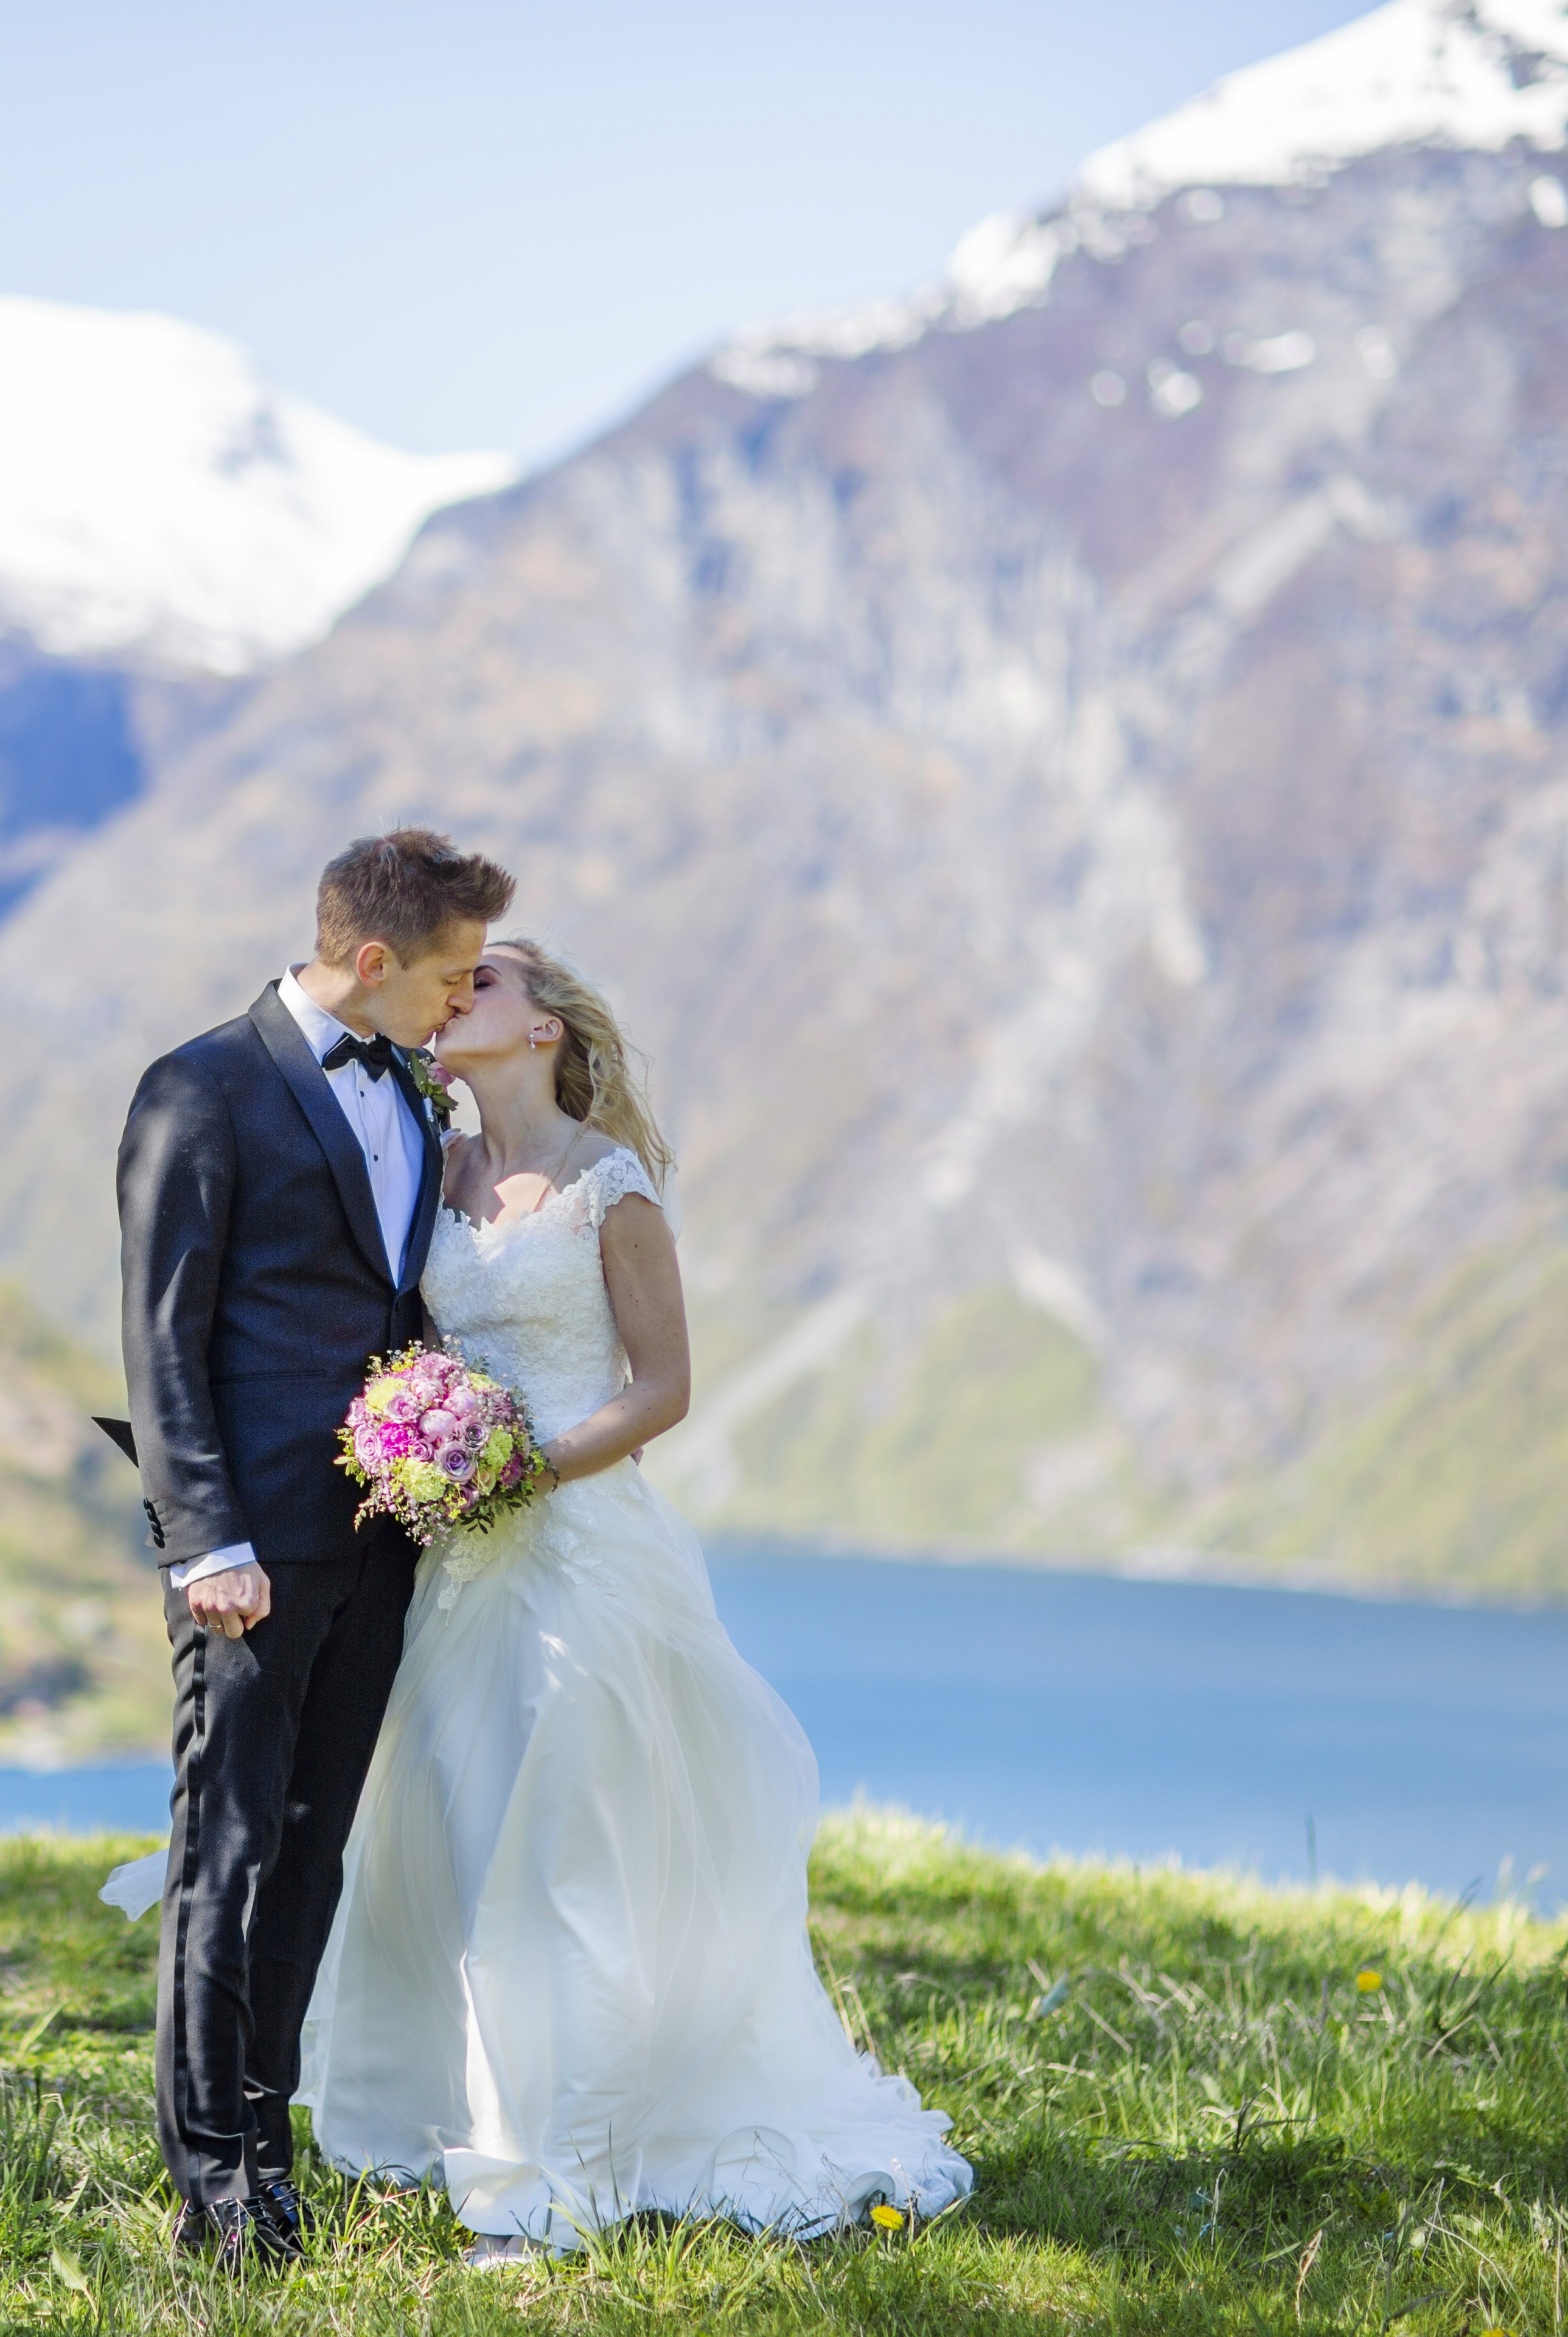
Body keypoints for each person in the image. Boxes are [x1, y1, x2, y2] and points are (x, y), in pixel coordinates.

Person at [299, 937, 973, 2260]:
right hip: (457, 1568)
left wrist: (516, 1469)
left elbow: (661, 1390)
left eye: (482, 981)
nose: (451, 995)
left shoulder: (611, 1187)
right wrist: (417, 1445)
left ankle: (556, 2171)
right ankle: (456, 2122)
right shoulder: (434, 1175)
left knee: (560, 1862)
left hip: (578, 1558)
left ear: (546, 1028)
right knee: (450, 1850)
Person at [114, 827, 514, 2269]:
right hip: (249, 1557)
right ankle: (216, 2189)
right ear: (368, 960)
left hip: (378, 1542)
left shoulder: (412, 1082)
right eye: (450, 978)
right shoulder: (201, 1089)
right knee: (223, 1852)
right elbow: (162, 1339)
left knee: (313, 1850)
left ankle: (269, 2137)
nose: (462, 1005)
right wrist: (204, 1538)